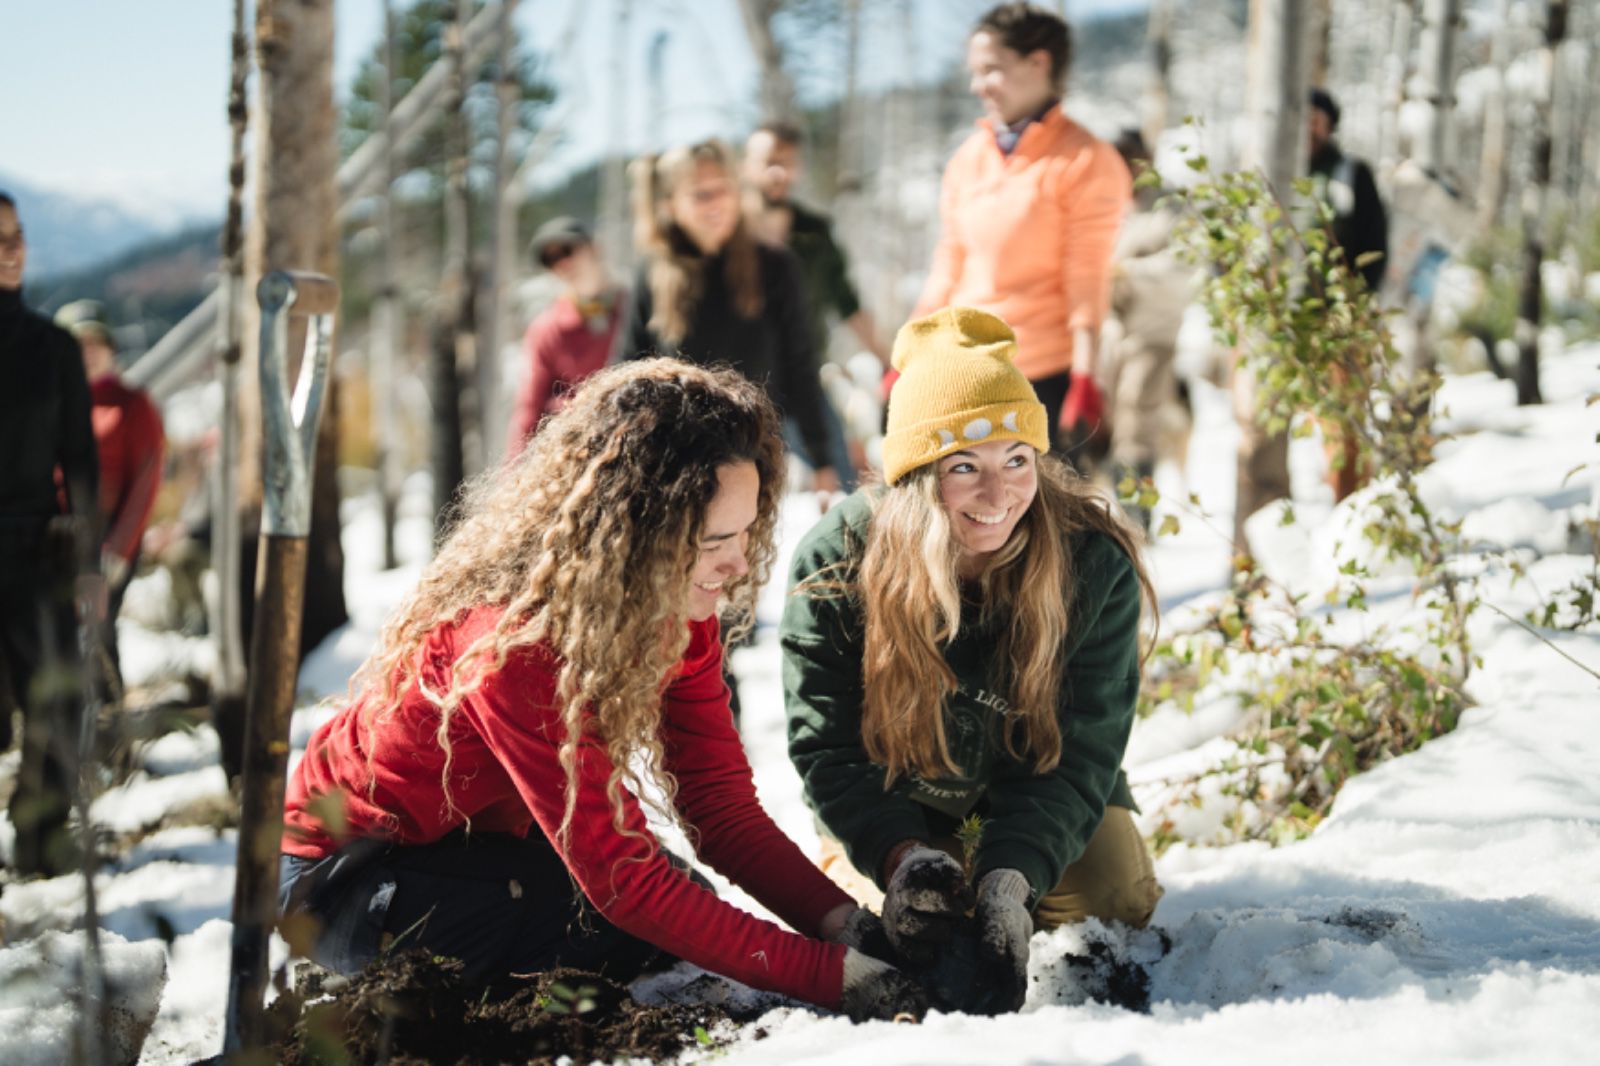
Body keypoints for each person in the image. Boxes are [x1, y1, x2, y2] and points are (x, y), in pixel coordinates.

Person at [279, 359, 925, 1022]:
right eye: (714, 542)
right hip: (347, 877)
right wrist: (832, 979)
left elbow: (720, 810)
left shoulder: (678, 608)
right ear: (638, 538)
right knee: (616, 930)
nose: (737, 568)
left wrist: (846, 926)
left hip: (484, 849)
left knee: (673, 913)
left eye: (748, 533)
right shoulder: (514, 644)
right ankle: (390, 1019)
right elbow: (623, 882)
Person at [782, 307, 1163, 1016]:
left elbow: (1084, 749)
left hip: (1035, 771)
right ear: (918, 477)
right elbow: (826, 746)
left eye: (1017, 459)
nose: (999, 495)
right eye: (964, 467)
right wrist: (899, 856)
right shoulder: (838, 561)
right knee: (911, 923)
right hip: (900, 787)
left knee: (1113, 897)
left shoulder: (1090, 560)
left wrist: (1011, 879)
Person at [912, 3, 1130, 464]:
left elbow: (1087, 275)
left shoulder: (1086, 159)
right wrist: (910, 349)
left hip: (1041, 375)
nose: (978, 86)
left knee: (1040, 527)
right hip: (965, 371)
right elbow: (949, 261)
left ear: (1039, 62)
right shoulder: (969, 159)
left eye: (991, 69)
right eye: (975, 72)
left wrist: (1086, 375)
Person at [620, 139, 840, 497]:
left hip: (752, 457)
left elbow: (800, 364)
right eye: (701, 195)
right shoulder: (652, 273)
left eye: (722, 190)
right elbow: (627, 371)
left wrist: (821, 458)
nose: (716, 203)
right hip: (677, 465)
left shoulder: (775, 266)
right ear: (671, 206)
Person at [0, 191, 101, 878]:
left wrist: (88, 562)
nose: (12, 248)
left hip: (38, 552)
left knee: (60, 702)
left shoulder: (54, 347)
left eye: (17, 234)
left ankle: (38, 846)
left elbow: (83, 464)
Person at [744, 121, 891, 490]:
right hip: (738, 384)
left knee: (846, 481)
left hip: (802, 382)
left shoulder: (814, 232)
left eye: (788, 162)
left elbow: (846, 302)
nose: (779, 171)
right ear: (747, 164)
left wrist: (890, 361)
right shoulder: (728, 234)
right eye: (769, 160)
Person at [55, 299, 165, 684]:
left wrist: (117, 550)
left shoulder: (133, 405)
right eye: (77, 344)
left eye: (95, 343)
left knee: (95, 637)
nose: (87, 354)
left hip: (106, 544)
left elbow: (145, 483)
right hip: (57, 543)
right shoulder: (57, 406)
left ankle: (110, 730)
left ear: (110, 349)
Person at [1099, 130, 1198, 530]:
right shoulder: (1110, 208)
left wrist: (1127, 274)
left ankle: (1137, 516)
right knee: (1107, 423)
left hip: (1154, 331)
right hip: (1110, 335)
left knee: (1138, 422)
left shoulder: (1171, 207)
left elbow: (1185, 268)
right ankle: (1112, 513)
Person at [504, 217, 624, 458]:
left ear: (594, 248)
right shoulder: (547, 329)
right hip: (580, 453)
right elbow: (529, 408)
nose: (562, 263)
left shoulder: (635, 307)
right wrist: (512, 479)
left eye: (567, 250)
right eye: (551, 260)